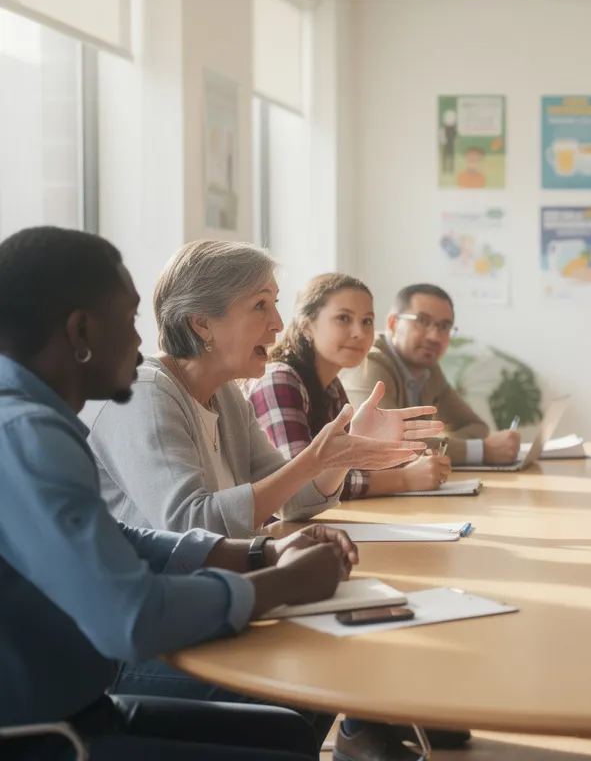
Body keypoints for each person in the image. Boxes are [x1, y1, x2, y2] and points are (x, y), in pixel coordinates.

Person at [0, 226, 356, 760]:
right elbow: (132, 616)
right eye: (129, 320)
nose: (141, 340)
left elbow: (121, 538)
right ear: (80, 331)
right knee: (291, 713)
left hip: (80, 703)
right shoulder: (25, 434)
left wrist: (260, 553)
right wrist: (281, 583)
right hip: (42, 734)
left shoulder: (37, 419)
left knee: (290, 733)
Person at [82, 240, 444, 761]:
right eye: (260, 305)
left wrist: (343, 452)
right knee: (313, 675)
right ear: (202, 323)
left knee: (333, 663)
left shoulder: (226, 393)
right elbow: (190, 525)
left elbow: (292, 498)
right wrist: (314, 459)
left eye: (274, 303)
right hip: (140, 641)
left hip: (202, 605)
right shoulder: (144, 394)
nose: (278, 324)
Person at [247, 273, 454, 498]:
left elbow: (344, 468)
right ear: (307, 325)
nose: (359, 333)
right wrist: (405, 479)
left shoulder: (332, 387)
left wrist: (382, 453)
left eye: (367, 321)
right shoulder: (278, 379)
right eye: (344, 318)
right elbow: (299, 486)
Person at [340, 283, 521, 467]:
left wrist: (433, 446)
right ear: (393, 324)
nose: (434, 336)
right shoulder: (369, 363)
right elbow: (386, 444)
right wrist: (481, 450)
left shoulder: (428, 368)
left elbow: (476, 427)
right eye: (422, 321)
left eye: (444, 326)